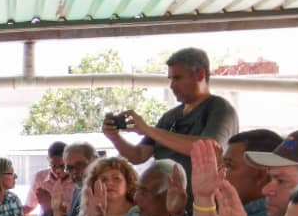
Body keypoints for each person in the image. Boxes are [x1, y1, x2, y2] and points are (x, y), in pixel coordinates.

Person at [102, 47, 239, 193]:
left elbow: (209, 149)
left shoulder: (219, 108)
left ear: (200, 75)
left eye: (178, 78)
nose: (172, 86)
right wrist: (115, 138)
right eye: (170, 79)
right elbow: (139, 155)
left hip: (203, 204)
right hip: (166, 207)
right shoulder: (169, 117)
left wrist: (149, 130)